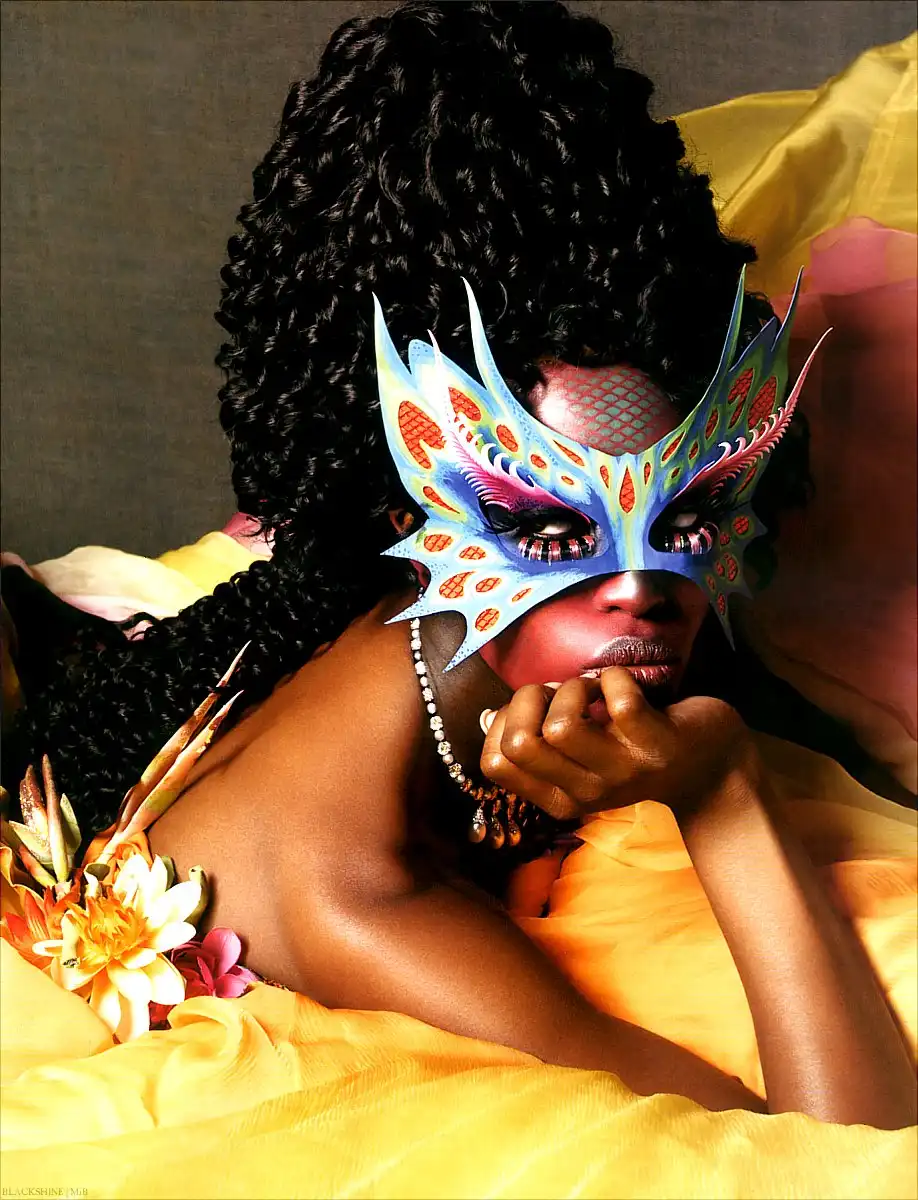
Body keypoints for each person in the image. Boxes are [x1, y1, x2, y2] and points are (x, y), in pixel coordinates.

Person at [9, 0, 916, 1132]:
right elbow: (835, 1157)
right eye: (552, 533)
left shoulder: (512, 642)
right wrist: (725, 793)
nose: (641, 588)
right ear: (405, 508)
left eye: (688, 516)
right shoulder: (353, 893)